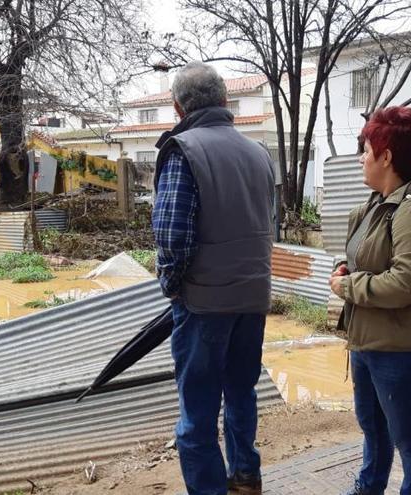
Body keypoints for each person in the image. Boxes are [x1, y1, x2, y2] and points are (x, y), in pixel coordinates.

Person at [152, 61, 275, 495]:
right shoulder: (258, 153)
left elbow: (172, 238)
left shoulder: (183, 150)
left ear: (176, 107)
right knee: (241, 391)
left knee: (197, 415)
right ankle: (246, 477)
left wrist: (172, 287)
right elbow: (268, 226)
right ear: (225, 102)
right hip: (253, 298)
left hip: (204, 304)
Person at [329, 106, 411, 495]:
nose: (361, 158)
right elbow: (366, 255)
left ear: (386, 156)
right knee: (373, 427)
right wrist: (345, 268)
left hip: (406, 348)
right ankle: (369, 486)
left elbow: (405, 283)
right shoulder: (376, 203)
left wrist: (347, 288)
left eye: (366, 149)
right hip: (370, 340)